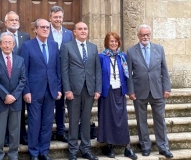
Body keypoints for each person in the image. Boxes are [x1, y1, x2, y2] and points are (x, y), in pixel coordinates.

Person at [127, 24, 173, 159]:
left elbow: (164, 70)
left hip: (158, 91)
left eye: (147, 34)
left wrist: (167, 88)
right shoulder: (131, 51)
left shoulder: (159, 49)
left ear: (150, 35)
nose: (145, 37)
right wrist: (131, 91)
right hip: (139, 91)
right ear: (138, 36)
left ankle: (163, 147)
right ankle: (145, 146)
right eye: (142, 34)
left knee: (160, 120)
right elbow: (128, 73)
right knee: (141, 121)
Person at [20, 18, 62, 160]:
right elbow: (23, 71)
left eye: (47, 27)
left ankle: (44, 151)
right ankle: (34, 152)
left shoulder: (54, 45)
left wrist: (58, 88)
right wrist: (26, 91)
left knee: (47, 122)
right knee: (34, 122)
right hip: (34, 92)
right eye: (42, 27)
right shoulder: (27, 46)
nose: (45, 29)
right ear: (35, 30)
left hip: (50, 90)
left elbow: (57, 69)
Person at [60, 22, 101, 160]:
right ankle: (72, 150)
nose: (83, 31)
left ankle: (85, 149)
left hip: (89, 89)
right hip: (73, 90)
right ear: (74, 32)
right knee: (73, 121)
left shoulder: (93, 47)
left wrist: (97, 89)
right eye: (80, 29)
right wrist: (67, 89)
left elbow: (97, 70)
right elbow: (64, 70)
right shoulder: (67, 47)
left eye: (85, 28)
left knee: (86, 120)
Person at [0, 11, 30, 145]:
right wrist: (4, 92)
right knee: (3, 118)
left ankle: (21, 136)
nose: (14, 22)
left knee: (19, 113)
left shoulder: (25, 36)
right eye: (11, 20)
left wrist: (18, 91)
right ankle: (5, 139)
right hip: (3, 84)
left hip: (18, 85)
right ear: (5, 23)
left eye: (16, 19)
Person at [97, 32, 137, 160]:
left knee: (122, 119)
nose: (114, 43)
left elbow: (128, 75)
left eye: (116, 41)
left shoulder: (122, 57)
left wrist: (130, 91)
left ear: (119, 43)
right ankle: (109, 146)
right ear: (107, 43)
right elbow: (98, 75)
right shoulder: (101, 57)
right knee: (108, 119)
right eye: (111, 41)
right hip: (106, 92)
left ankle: (127, 147)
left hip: (119, 91)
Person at [0, 32, 26, 160]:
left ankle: (13, 155)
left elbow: (23, 80)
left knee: (14, 131)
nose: (7, 45)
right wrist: (5, 95)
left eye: (9, 42)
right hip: (0, 101)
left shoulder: (20, 60)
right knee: (0, 131)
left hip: (16, 102)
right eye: (4, 42)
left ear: (14, 44)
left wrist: (14, 96)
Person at [48, 5, 73, 143]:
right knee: (48, 104)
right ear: (50, 17)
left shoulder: (69, 34)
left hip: (64, 74)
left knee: (61, 105)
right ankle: (46, 131)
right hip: (49, 73)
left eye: (60, 17)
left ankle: (60, 131)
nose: (58, 19)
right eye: (55, 17)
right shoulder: (45, 31)